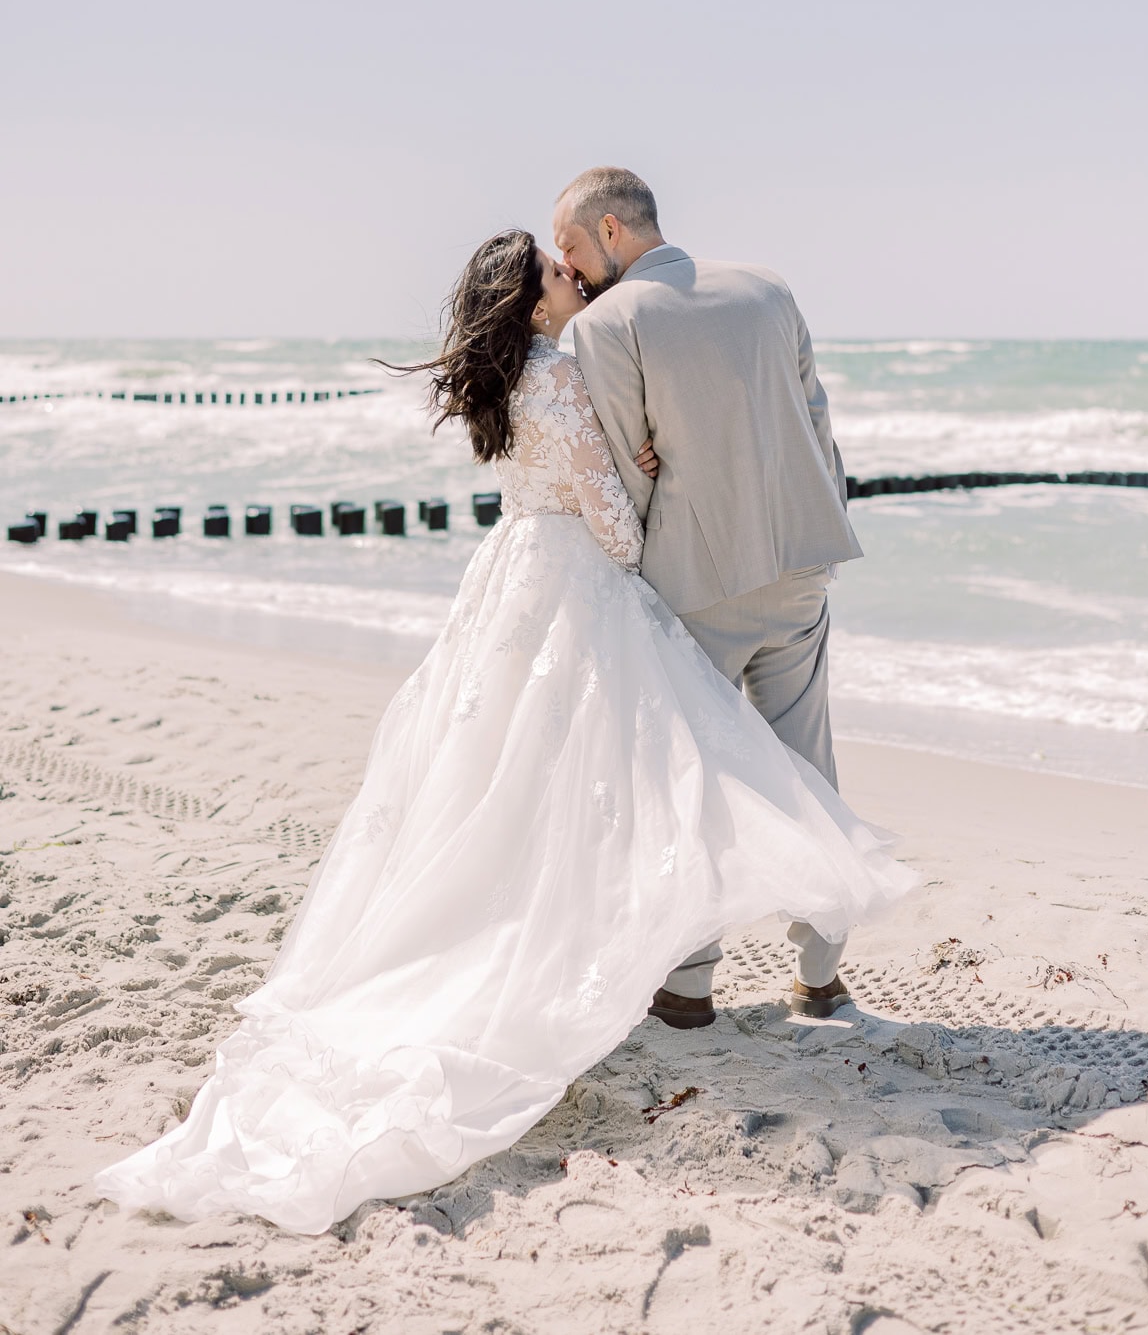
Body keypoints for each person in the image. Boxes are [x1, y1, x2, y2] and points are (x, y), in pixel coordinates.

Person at [93, 229, 912, 1237]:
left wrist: (627, 460)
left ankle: (680, 985)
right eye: (562, 276)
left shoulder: (508, 378)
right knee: (648, 777)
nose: (579, 281)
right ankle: (746, 973)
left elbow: (555, 476)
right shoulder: (562, 374)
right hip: (575, 585)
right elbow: (612, 521)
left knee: (506, 787)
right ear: (532, 302)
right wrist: (636, 474)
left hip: (511, 579)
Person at [556, 170, 863, 1026]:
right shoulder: (768, 285)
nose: (567, 266)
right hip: (801, 560)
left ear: (611, 230)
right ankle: (820, 973)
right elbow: (816, 419)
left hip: (694, 583)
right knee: (810, 767)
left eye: (573, 246)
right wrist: (816, 519)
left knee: (689, 783)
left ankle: (689, 984)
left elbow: (622, 476)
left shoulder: (608, 322)